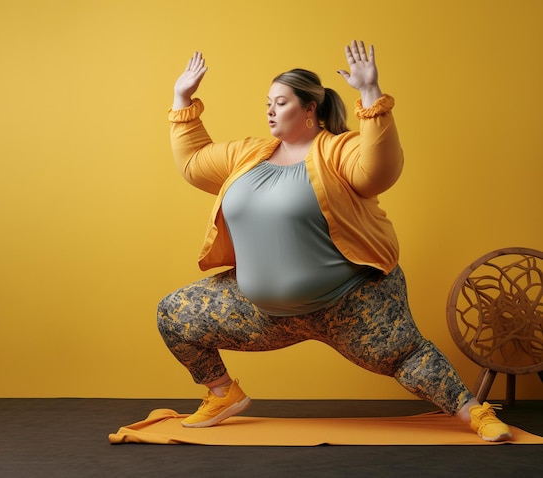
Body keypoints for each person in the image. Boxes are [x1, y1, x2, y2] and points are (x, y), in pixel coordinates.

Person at [158, 41, 512, 442]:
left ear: (310, 109)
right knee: (174, 314)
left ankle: (478, 415)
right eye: (268, 103)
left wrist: (370, 95)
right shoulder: (249, 154)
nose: (270, 110)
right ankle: (223, 394)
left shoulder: (339, 150)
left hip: (348, 304)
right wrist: (182, 98)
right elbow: (193, 162)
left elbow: (378, 170)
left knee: (407, 358)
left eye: (281, 102)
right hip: (264, 313)